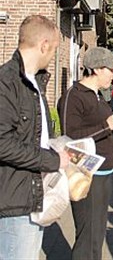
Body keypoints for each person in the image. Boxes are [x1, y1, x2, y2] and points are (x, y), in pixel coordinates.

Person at [58, 47, 113, 260]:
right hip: (86, 175)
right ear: (96, 69)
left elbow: (101, 125)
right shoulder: (73, 97)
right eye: (111, 69)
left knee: (97, 234)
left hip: (103, 173)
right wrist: (107, 125)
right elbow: (70, 137)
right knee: (87, 236)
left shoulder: (97, 95)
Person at [0, 15, 69, 259]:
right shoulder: (7, 82)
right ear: (44, 45)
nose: (52, 57)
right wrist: (53, 160)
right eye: (53, 50)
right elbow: (2, 144)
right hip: (14, 203)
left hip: (31, 196)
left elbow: (33, 138)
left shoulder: (34, 83)